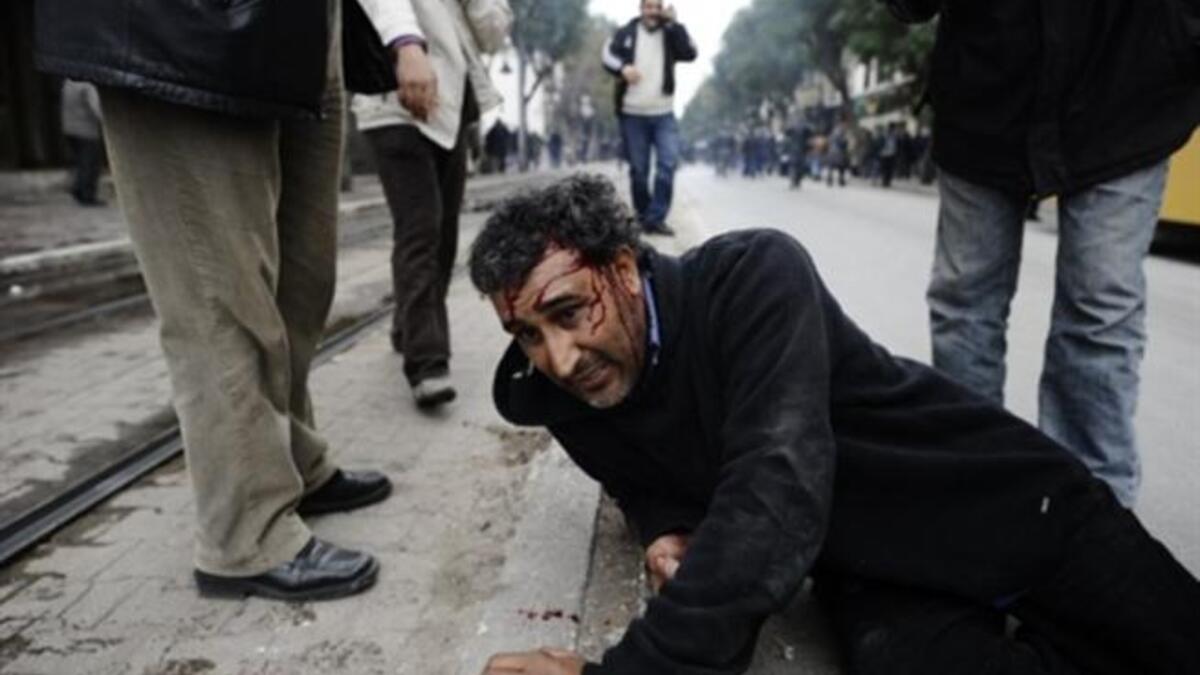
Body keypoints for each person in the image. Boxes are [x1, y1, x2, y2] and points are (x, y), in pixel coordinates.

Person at [471, 175, 1200, 675]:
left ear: (625, 270)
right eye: (528, 333)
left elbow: (773, 495)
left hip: (1007, 505)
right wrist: (661, 521)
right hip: (882, 577)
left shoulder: (753, 277)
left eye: (569, 312)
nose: (557, 357)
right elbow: (632, 467)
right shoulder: (564, 389)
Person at [34, 0, 402, 599]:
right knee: (217, 290)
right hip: (179, 24)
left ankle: (293, 458)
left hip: (303, 27)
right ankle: (245, 530)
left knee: (302, 277)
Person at [885, 0, 1200, 507]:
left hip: (1130, 79)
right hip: (988, 83)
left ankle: (1094, 516)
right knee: (965, 302)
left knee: (1100, 305)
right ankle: (971, 497)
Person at [353, 0, 511, 409]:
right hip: (392, 100)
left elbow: (493, 35)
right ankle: (427, 361)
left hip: (450, 106)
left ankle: (407, 328)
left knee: (443, 235)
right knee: (420, 230)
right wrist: (406, 44)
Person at [602, 0, 697, 236]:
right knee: (639, 170)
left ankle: (656, 218)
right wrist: (623, 68)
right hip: (633, 113)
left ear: (662, 9)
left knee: (668, 164)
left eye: (657, 7)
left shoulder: (671, 33)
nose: (653, 12)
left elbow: (690, 52)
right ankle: (643, 217)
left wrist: (675, 24)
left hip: (663, 112)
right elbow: (607, 56)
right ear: (641, 9)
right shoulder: (625, 33)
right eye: (648, 7)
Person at [59, 79, 105, 206]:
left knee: (80, 161)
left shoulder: (68, 83)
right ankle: (87, 195)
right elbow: (96, 107)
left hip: (69, 128)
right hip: (86, 130)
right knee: (90, 163)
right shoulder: (87, 86)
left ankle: (78, 189)